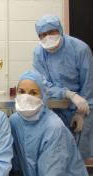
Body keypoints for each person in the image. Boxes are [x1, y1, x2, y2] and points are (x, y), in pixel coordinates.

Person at [32, 14, 93, 161]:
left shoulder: (79, 49)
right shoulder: (39, 53)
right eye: (43, 34)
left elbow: (89, 84)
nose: (48, 37)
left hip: (82, 107)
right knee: (58, 156)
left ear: (60, 30)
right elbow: (44, 85)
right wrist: (68, 94)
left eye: (52, 32)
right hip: (56, 110)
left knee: (79, 158)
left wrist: (80, 113)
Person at [9, 70, 88, 176]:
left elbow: (52, 171)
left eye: (33, 93)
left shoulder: (53, 127)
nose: (26, 97)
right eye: (22, 92)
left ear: (43, 95)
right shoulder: (14, 121)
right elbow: (17, 165)